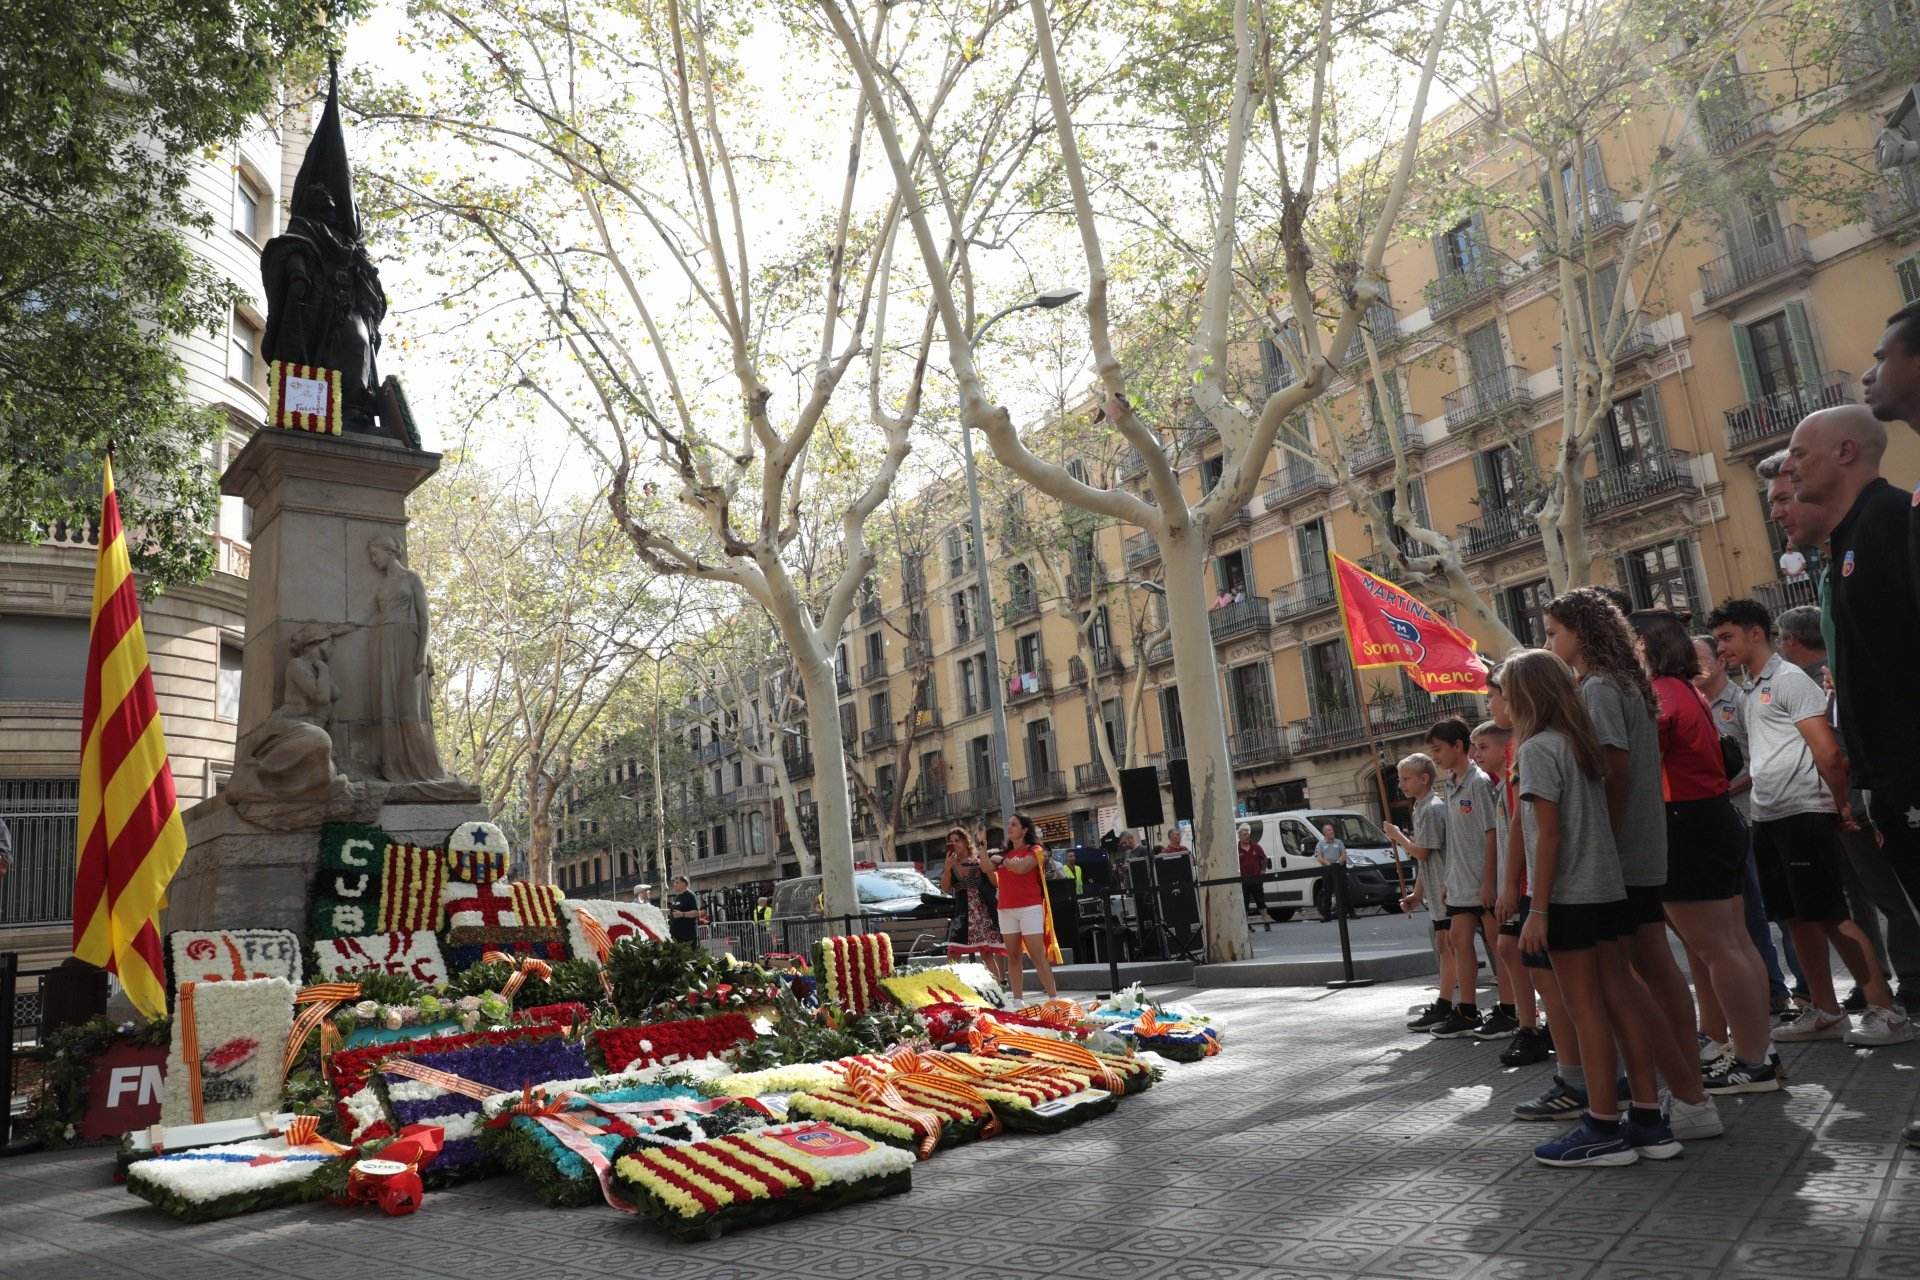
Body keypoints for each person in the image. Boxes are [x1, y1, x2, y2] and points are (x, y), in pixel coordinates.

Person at [1545, 589, 1719, 1138]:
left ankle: (1687, 1099)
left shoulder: (1599, 687)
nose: (1549, 643)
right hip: (1646, 846)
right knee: (1658, 971)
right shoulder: (1630, 684)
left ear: (1580, 632)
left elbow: (1613, 772)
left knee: (1626, 982)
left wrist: (1605, 843)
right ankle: (1691, 1097)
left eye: (1553, 632)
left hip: (1621, 855)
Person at [1502, 648, 1680, 1167]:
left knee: (1586, 1012)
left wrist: (1538, 909)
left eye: (1508, 692)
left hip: (1569, 896)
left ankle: (1602, 1126)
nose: (1504, 702)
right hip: (1608, 889)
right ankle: (1648, 1120)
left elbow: (1549, 834)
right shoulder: (1581, 744)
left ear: (1526, 695)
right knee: (1622, 997)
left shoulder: (1537, 749)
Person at [1706, 597, 1905, 1045]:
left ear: (1756, 633)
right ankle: (1824, 1009)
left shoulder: (1791, 680)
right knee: (1795, 919)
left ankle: (1885, 1010)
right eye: (1717, 640)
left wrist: (1839, 804)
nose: (1720, 648)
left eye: (1726, 637)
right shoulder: (1753, 686)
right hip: (1769, 814)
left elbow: (1828, 751)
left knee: (1831, 914)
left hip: (1803, 813)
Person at [1627, 609, 1778, 1094]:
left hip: (1687, 822)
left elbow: (1638, 764)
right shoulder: (1684, 690)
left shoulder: (1661, 696)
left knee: (1719, 950)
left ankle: (1752, 1061)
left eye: (1629, 642)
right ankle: (1758, 1053)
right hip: (1711, 817)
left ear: (1645, 645)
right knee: (1733, 945)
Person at [1479, 707, 1550, 1066]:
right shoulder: (1498, 783)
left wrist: (1509, 884)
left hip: (1527, 880)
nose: (1478, 754)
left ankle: (1536, 1025)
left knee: (1527, 954)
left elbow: (1525, 827)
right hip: (1518, 878)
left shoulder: (1519, 763)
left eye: (1483, 746)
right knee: (1511, 948)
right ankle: (1532, 1023)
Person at [1425, 717, 1503, 1039]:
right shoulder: (1451, 784)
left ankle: (1511, 1009)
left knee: (1498, 946)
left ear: (1459, 747)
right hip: (1459, 882)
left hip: (1481, 882)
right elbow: (1456, 838)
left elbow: (1491, 833)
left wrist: (1489, 881)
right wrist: (1448, 878)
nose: (1435, 756)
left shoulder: (1478, 782)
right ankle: (1467, 1010)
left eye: (1439, 749)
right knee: (1459, 940)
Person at [1387, 753, 1455, 1032]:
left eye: (1405, 779)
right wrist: (1417, 894)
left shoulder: (1431, 808)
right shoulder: (1421, 808)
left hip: (1447, 890)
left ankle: (1451, 1004)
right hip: (1437, 890)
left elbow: (1422, 851)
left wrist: (1399, 838)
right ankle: (1446, 1002)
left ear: (1423, 779)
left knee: (1450, 946)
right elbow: (1426, 860)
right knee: (1444, 946)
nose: (1401, 785)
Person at [988, 812, 1059, 1003]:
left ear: (1025, 829)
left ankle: (1053, 998)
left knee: (1037, 955)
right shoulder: (1004, 853)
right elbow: (986, 869)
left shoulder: (1035, 850)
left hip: (1030, 907)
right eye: (1008, 825)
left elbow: (1022, 868)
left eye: (1014, 825)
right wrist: (981, 846)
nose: (1009, 828)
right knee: (1012, 955)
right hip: (1006, 909)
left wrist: (1002, 861)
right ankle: (1017, 1000)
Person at [941, 827, 1005, 981]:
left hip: (981, 912)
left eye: (958, 840)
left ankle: (998, 986)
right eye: (951, 842)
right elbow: (945, 888)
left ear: (965, 841)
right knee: (954, 952)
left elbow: (992, 883)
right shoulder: (950, 863)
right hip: (963, 913)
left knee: (986, 953)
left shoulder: (978, 861)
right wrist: (948, 868)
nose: (955, 844)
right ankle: (952, 987)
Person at [1238, 825, 1274, 931]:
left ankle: (1266, 922)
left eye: (1247, 834)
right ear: (1239, 836)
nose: (1246, 837)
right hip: (1243, 881)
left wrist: (1263, 871)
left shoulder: (1256, 847)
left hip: (1256, 879)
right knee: (1244, 903)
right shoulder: (1236, 849)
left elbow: (1264, 859)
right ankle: (1246, 924)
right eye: (1244, 835)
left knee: (1260, 901)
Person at [666, 875, 701, 945]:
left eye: (677, 883)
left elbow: (696, 913)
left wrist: (682, 914)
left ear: (684, 884)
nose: (674, 885)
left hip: (687, 938)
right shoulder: (677, 897)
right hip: (676, 937)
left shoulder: (690, 896)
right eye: (674, 883)